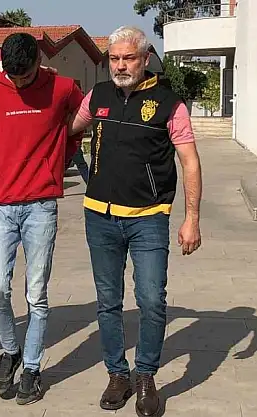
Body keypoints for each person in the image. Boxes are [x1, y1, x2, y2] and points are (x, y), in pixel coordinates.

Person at [68, 26, 203, 416]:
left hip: (149, 219)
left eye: (128, 58)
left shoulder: (169, 103)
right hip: (100, 216)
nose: (120, 65)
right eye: (114, 58)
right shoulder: (98, 96)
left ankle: (145, 376)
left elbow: (190, 162)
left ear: (145, 59)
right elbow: (67, 130)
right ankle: (117, 375)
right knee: (108, 302)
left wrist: (192, 219)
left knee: (151, 300)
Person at [0, 32, 84, 405]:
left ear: (39, 62)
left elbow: (81, 122)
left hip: (41, 205)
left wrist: (58, 152)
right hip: (2, 204)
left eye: (25, 76)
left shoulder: (64, 88)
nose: (19, 83)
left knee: (36, 294)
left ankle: (33, 369)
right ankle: (11, 349)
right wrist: (2, 132)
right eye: (13, 77)